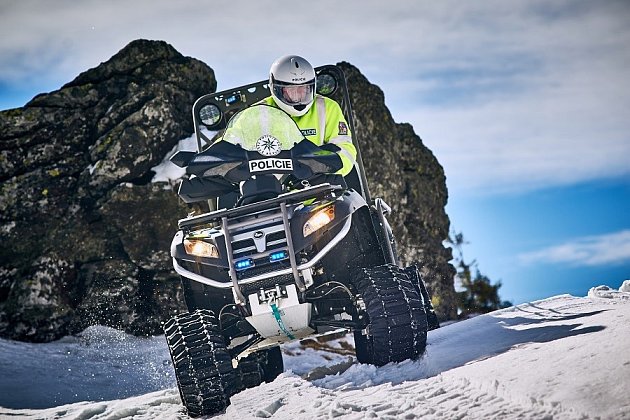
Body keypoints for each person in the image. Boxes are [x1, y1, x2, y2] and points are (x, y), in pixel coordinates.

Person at [262, 55, 357, 179]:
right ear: (276, 89)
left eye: (304, 89)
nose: (299, 95)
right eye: (291, 90)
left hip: (323, 188)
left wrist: (323, 168)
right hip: (274, 193)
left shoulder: (327, 107)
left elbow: (345, 147)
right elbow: (233, 146)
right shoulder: (259, 113)